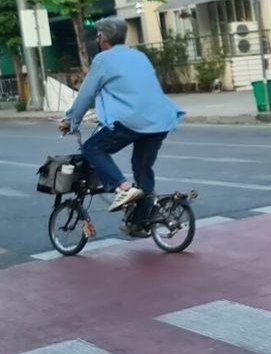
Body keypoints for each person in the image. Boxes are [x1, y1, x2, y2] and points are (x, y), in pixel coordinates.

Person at [59, 18, 184, 229]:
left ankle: (122, 187)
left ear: (103, 38)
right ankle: (141, 222)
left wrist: (70, 121)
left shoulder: (103, 59)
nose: (98, 39)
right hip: (160, 119)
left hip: (131, 120)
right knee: (142, 168)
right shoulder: (139, 55)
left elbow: (86, 94)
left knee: (92, 148)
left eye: (98, 35)